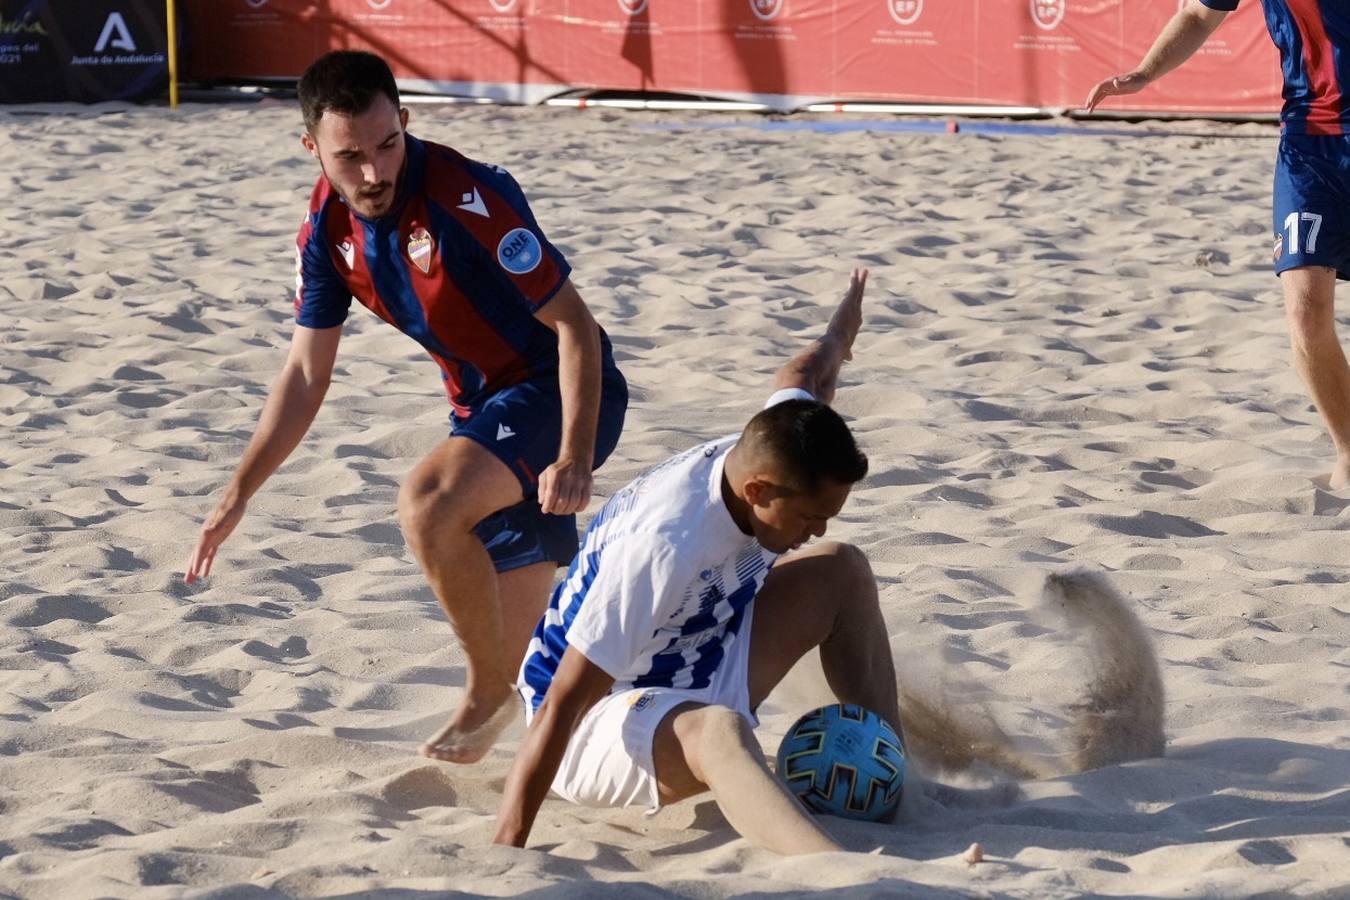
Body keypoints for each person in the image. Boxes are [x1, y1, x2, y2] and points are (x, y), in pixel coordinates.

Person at [183, 50, 628, 763]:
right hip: (481, 415)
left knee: (426, 504)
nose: (374, 173)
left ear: (406, 123)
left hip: (563, 390)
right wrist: (238, 493)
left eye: (388, 145)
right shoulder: (328, 226)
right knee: (542, 677)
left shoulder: (466, 197)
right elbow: (304, 373)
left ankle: (483, 693)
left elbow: (575, 326)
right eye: (350, 156)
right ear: (311, 148)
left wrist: (574, 453)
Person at [492, 269, 903, 856]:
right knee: (719, 730)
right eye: (811, 515)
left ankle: (894, 777)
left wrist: (842, 333)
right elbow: (563, 702)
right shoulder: (664, 547)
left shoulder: (770, 447)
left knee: (843, 569)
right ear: (760, 491)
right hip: (600, 723)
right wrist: (507, 848)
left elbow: (804, 376)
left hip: (701, 654)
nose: (818, 527)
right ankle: (835, 870)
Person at [1085, 0, 1350, 489]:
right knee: (1306, 316)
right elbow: (1195, 14)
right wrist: (1144, 73)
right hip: (1309, 145)